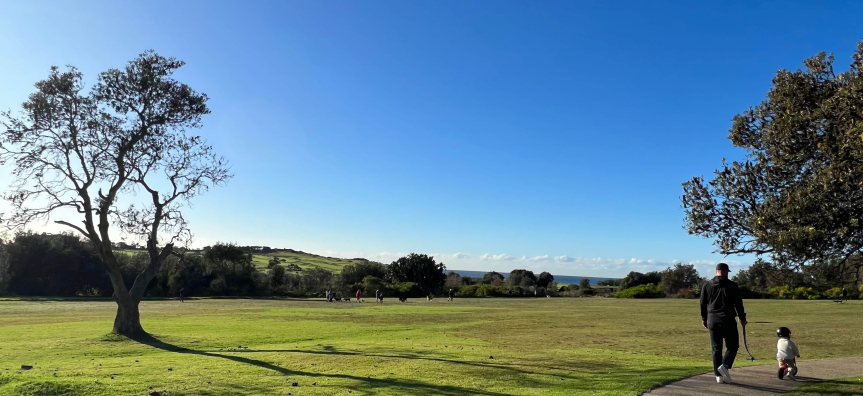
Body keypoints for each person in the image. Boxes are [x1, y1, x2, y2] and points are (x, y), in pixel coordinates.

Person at [700, 262, 747, 384]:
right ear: (726, 271)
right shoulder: (732, 285)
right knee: (733, 346)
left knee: (716, 348)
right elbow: (738, 304)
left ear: (716, 271)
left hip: (712, 320)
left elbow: (702, 303)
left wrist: (704, 318)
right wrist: (742, 318)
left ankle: (718, 376)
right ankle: (724, 366)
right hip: (728, 319)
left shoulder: (707, 285)